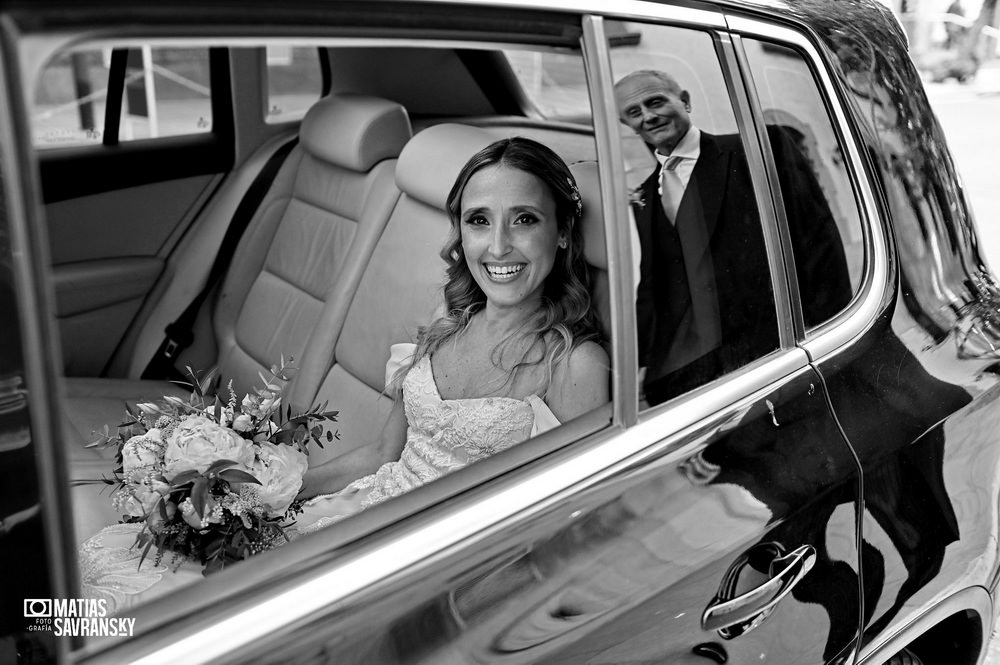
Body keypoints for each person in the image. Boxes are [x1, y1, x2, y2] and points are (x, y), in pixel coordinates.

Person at [78, 136, 610, 611]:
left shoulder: (575, 365)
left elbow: (571, 525)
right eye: (479, 220)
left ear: (562, 233)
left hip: (439, 562)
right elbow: (385, 454)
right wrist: (258, 496)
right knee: (138, 576)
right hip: (364, 510)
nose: (497, 247)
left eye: (525, 219)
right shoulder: (446, 327)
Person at [614, 69, 777, 405]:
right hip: (686, 376)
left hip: (767, 359)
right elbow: (652, 286)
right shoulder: (643, 195)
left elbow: (818, 248)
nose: (648, 116)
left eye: (655, 101)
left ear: (685, 101)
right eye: (634, 112)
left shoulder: (753, 151)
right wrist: (643, 365)